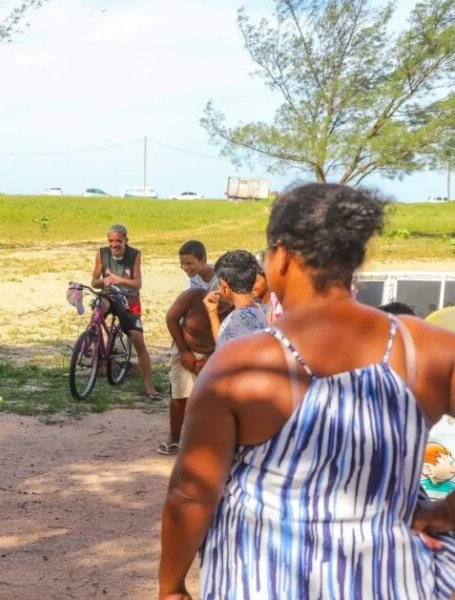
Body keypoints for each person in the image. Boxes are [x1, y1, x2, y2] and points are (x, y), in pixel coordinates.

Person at [159, 183, 455, 599]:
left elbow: (191, 494)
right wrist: (447, 510)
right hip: (385, 580)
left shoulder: (239, 365)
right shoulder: (427, 349)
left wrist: (171, 586)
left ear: (280, 256)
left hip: (260, 579)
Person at [91, 224, 161, 401]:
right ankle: (91, 344)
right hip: (110, 295)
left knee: (138, 340)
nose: (114, 245)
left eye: (118, 241)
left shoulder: (134, 255)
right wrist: (104, 282)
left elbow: (138, 284)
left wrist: (120, 279)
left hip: (129, 298)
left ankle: (149, 385)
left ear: (125, 241)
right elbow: (94, 281)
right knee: (99, 309)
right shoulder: (102, 253)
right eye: (111, 241)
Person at [158, 287, 221, 456]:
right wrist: (184, 352)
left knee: (213, 400)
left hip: (216, 355)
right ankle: (174, 437)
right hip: (185, 350)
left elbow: (231, 340)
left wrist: (210, 360)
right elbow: (171, 318)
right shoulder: (193, 296)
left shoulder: (234, 309)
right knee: (180, 395)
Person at [203, 250, 269, 348]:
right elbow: (223, 341)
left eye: (219, 285)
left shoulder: (239, 320)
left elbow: (224, 350)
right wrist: (212, 312)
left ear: (225, 288)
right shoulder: (266, 311)